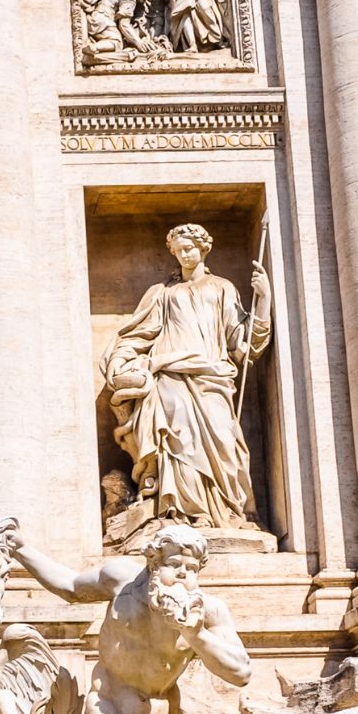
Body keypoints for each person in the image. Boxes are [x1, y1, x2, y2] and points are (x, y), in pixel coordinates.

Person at [11, 524, 251, 714]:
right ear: (153, 564)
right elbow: (71, 586)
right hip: (111, 711)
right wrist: (21, 549)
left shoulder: (208, 612)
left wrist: (196, 635)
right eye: (174, 564)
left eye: (191, 569)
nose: (182, 574)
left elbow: (241, 673)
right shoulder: (121, 581)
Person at [100, 223, 270, 544]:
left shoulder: (222, 288)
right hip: (169, 374)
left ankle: (225, 511)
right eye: (178, 251)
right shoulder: (162, 293)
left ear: (203, 248)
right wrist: (121, 360)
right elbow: (139, 334)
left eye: (189, 248)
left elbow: (243, 343)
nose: (183, 255)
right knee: (177, 437)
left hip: (212, 375)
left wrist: (263, 299)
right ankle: (181, 512)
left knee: (223, 438)